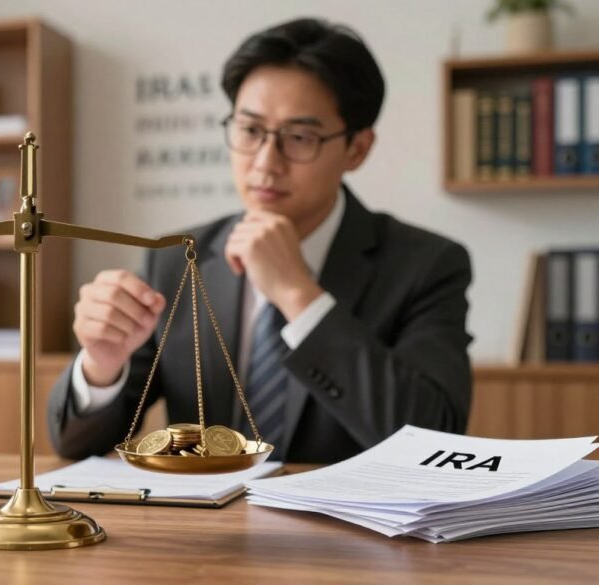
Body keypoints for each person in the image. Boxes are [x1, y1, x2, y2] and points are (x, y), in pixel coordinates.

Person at [47, 17, 473, 463]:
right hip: (206, 509)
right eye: (250, 131)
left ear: (357, 149)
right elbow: (76, 444)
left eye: (300, 137)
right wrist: (101, 365)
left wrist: (300, 297)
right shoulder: (176, 259)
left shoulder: (427, 265)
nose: (266, 163)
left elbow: (436, 438)